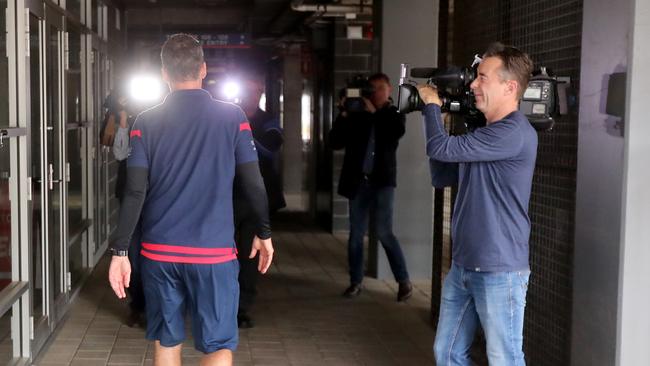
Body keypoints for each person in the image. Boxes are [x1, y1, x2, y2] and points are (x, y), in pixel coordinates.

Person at [107, 34, 274, 366]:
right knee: (216, 346)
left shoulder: (145, 122)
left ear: (164, 74)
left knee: (166, 342)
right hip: (212, 254)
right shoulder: (233, 117)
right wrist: (264, 231)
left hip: (159, 252)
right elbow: (253, 181)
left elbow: (135, 191)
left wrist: (120, 251)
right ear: (203, 69)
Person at [417, 42, 536, 365]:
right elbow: (441, 174)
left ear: (509, 87)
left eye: (482, 77)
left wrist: (429, 106)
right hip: (464, 265)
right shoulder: (484, 134)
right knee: (449, 352)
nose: (472, 84)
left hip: (499, 269)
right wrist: (438, 118)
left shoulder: (512, 133)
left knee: (504, 359)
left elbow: (441, 150)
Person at [330, 73, 413, 302]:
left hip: (382, 183)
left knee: (385, 232)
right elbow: (335, 141)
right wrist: (344, 113)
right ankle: (355, 282)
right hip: (359, 183)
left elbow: (395, 133)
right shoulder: (357, 115)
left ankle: (403, 281)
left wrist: (374, 113)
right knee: (356, 235)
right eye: (372, 88)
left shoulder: (393, 114)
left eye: (380, 88)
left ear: (388, 90)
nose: (376, 92)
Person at [233, 74, 285, 329]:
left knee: (250, 255)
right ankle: (225, 303)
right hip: (228, 196)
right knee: (226, 255)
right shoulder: (229, 116)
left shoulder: (269, 121)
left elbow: (272, 148)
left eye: (255, 91)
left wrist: (243, 138)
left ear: (261, 93)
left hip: (256, 199)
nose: (250, 96)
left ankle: (242, 308)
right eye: (247, 91)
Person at [109, 91, 146, 328]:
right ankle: (137, 304)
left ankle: (154, 305)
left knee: (152, 253)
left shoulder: (158, 120)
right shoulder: (125, 118)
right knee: (132, 251)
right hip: (130, 195)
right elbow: (120, 153)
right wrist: (122, 118)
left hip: (156, 197)